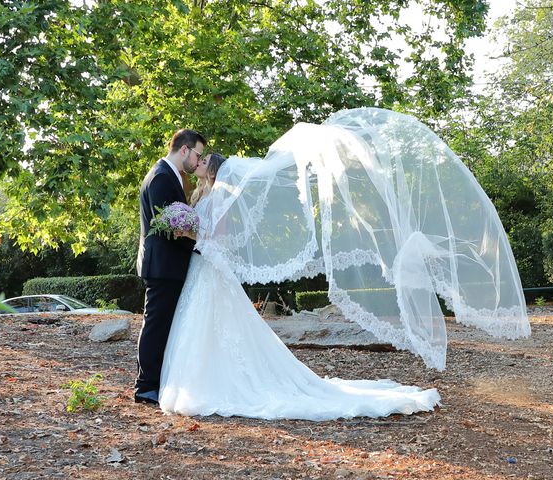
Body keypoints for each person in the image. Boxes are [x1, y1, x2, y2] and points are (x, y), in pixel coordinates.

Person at [157, 108, 529, 420]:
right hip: (203, 270)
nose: (200, 162)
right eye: (200, 157)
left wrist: (191, 232)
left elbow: (215, 236)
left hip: (208, 267)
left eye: (204, 160)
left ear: (215, 169)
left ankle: (217, 384)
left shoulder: (222, 192)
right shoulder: (202, 192)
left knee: (217, 327)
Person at [134, 128, 206, 404]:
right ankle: (145, 386)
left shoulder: (169, 175)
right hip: (163, 265)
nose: (198, 161)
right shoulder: (162, 177)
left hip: (167, 264)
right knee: (155, 325)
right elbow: (169, 227)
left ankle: (155, 381)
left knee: (162, 324)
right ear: (185, 150)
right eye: (197, 154)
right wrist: (199, 245)